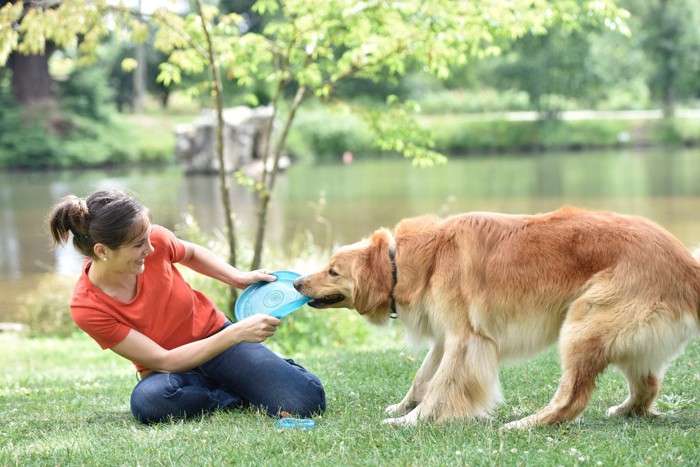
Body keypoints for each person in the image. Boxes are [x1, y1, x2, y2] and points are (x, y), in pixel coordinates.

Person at [47, 188, 325, 424]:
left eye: (148, 238)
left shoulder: (152, 238)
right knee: (149, 402)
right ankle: (235, 393)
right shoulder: (87, 308)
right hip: (171, 371)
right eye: (138, 245)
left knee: (306, 401)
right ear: (102, 251)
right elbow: (164, 361)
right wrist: (238, 332)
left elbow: (189, 252)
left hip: (217, 338)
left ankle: (244, 378)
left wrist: (238, 278)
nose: (151, 249)